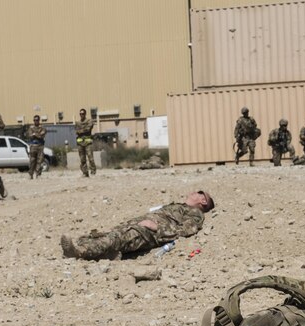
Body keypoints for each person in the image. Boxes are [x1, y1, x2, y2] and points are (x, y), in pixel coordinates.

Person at [61, 190, 214, 261]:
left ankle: (80, 252)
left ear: (203, 201)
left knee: (117, 238)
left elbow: (186, 230)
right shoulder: (180, 206)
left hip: (148, 232)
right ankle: (93, 249)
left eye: (199, 193)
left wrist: (157, 228)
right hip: (139, 224)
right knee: (107, 235)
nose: (194, 192)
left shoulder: (196, 214)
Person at [74, 108, 96, 178]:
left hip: (87, 142)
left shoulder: (89, 121)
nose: (81, 115)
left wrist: (81, 131)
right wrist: (82, 130)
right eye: (80, 114)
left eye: (83, 113)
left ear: (85, 114)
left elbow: (88, 129)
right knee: (82, 159)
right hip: (80, 143)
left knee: (90, 158)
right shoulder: (77, 122)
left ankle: (93, 171)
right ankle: (85, 172)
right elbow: (76, 131)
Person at [24, 114, 47, 179]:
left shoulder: (42, 128)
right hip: (33, 146)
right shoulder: (31, 128)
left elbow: (41, 135)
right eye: (34, 120)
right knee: (32, 160)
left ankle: (38, 174)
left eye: (37, 120)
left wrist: (35, 134)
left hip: (40, 146)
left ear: (39, 120)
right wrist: (36, 135)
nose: (35, 121)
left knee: (40, 161)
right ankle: (30, 174)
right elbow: (30, 136)